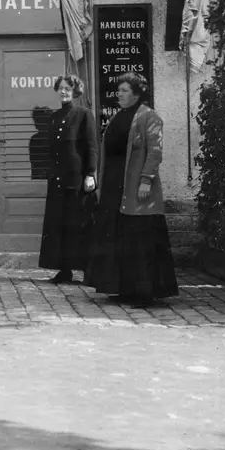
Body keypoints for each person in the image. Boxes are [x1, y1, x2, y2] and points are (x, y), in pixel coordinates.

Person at [86, 73, 178, 305]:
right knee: (118, 237)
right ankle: (122, 288)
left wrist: (146, 180)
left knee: (140, 239)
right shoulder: (119, 116)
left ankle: (144, 292)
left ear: (137, 94)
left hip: (136, 186)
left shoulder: (150, 117)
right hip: (114, 187)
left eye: (125, 90)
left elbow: (155, 152)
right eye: (119, 90)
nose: (119, 94)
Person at [37, 75, 98, 285]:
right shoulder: (54, 117)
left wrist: (91, 173)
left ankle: (88, 271)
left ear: (76, 91)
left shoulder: (83, 114)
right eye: (60, 88)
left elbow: (91, 146)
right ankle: (64, 270)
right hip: (58, 179)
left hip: (77, 180)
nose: (63, 92)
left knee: (80, 225)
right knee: (59, 225)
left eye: (67, 88)